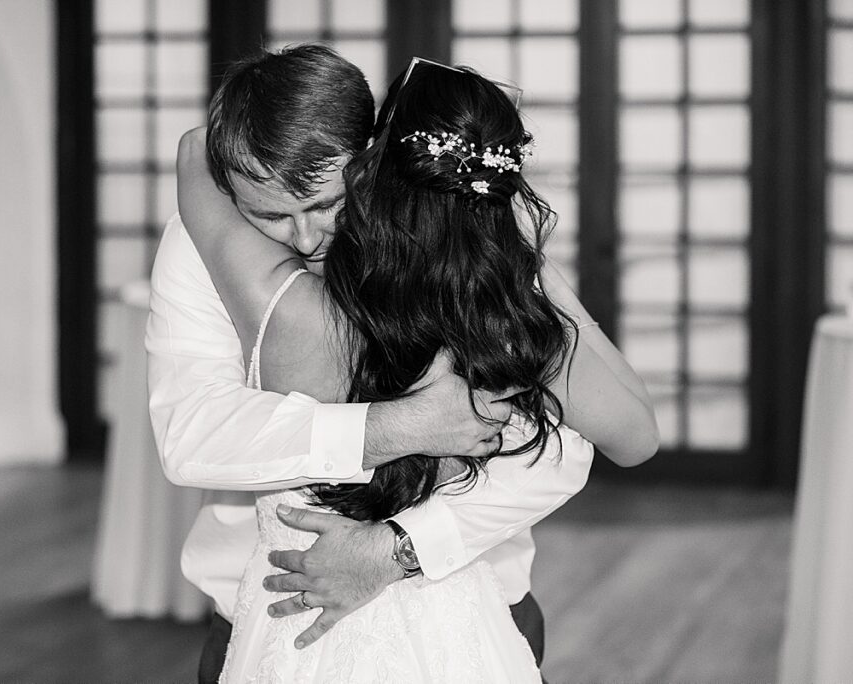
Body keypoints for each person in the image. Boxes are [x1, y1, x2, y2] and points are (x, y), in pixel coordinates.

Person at [151, 46, 656, 681]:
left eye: (327, 205)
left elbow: (558, 454)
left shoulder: (442, 262)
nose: (306, 240)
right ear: (229, 191)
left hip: (477, 605)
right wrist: (403, 424)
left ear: (375, 162)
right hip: (268, 616)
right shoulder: (199, 245)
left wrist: (401, 549)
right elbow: (191, 433)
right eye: (270, 216)